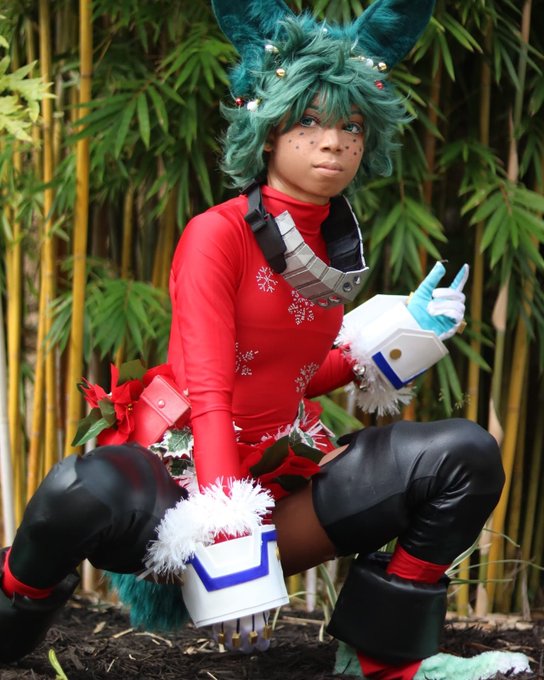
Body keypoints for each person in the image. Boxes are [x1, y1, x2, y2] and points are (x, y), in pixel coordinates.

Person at [0, 1, 532, 678]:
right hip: (174, 499)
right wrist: (228, 530)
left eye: (351, 126)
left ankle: (385, 662)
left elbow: (289, 376)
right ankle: (9, 609)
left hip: (280, 486)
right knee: (80, 485)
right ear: (268, 128)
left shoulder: (332, 245)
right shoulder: (216, 234)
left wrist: (403, 338)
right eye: (308, 121)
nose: (333, 142)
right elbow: (212, 388)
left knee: (464, 454)